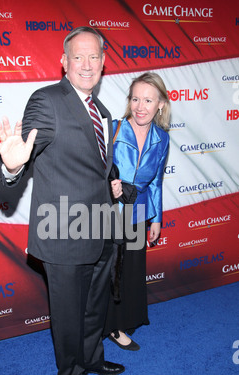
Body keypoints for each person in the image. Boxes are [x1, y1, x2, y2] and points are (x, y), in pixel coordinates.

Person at [0, 27, 125, 375]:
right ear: (64, 63)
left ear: (103, 62)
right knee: (68, 313)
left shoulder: (102, 110)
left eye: (94, 57)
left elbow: (98, 165)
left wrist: (111, 182)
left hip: (101, 225)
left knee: (95, 304)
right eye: (78, 57)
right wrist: (11, 166)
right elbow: (21, 153)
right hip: (63, 231)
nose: (87, 65)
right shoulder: (47, 101)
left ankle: (92, 357)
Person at [104, 72, 170, 351]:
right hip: (107, 211)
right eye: (135, 99)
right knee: (106, 270)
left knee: (129, 269)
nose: (140, 106)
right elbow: (95, 171)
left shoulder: (162, 138)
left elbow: (156, 181)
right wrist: (109, 187)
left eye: (148, 100)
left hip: (139, 210)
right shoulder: (114, 129)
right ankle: (105, 324)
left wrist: (156, 218)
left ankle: (123, 321)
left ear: (161, 105)